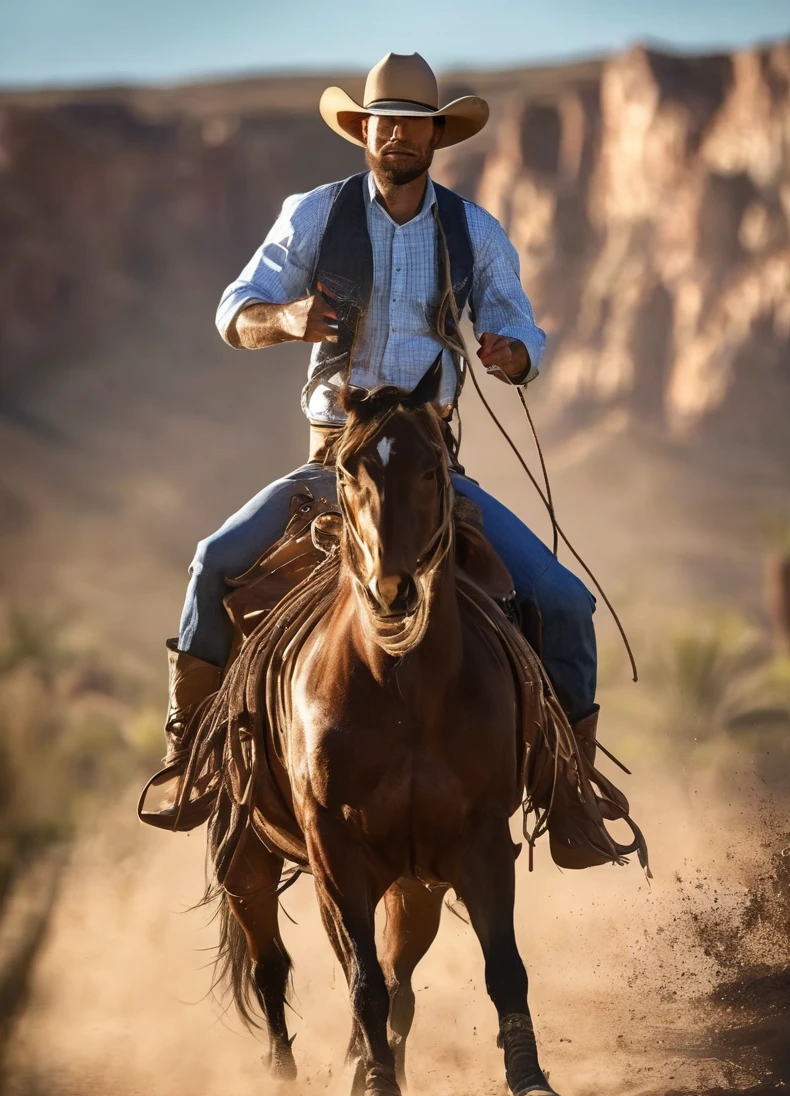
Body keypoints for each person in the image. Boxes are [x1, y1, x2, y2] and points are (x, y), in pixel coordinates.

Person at [143, 52, 602, 828]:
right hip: (334, 463)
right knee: (214, 559)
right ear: (363, 131)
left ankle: (570, 795)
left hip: (431, 468)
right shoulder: (315, 214)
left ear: (434, 136)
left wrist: (513, 352)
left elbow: (520, 323)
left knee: (563, 601)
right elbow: (236, 308)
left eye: (413, 124)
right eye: (384, 122)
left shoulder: (473, 229)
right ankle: (195, 758)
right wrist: (284, 320)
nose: (398, 135)